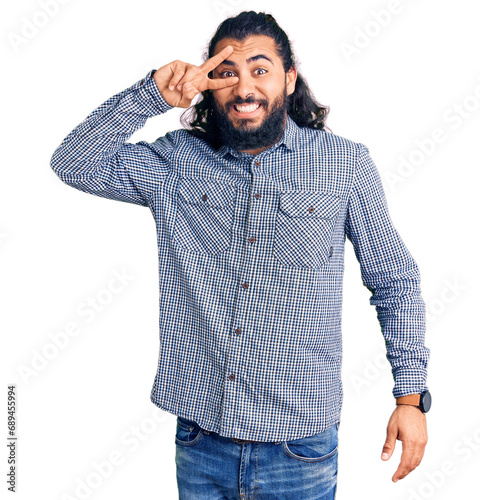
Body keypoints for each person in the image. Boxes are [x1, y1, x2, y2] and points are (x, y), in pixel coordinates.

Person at [50, 10, 431, 500]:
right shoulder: (174, 162)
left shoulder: (344, 164)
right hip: (201, 438)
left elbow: (393, 280)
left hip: (300, 446)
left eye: (260, 69)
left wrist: (411, 396)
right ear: (209, 84)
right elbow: (72, 161)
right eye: (227, 73)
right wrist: (151, 94)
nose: (244, 87)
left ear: (289, 79)